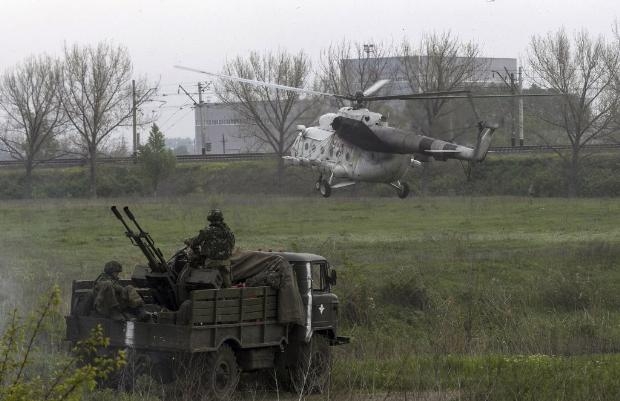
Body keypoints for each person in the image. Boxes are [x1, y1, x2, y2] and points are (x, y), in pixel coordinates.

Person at [184, 209, 236, 287]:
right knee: (227, 282)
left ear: (210, 219)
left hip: (212, 262)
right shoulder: (228, 231)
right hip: (225, 261)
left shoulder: (208, 231)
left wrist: (187, 241)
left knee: (210, 283)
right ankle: (229, 296)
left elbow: (195, 241)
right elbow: (232, 243)